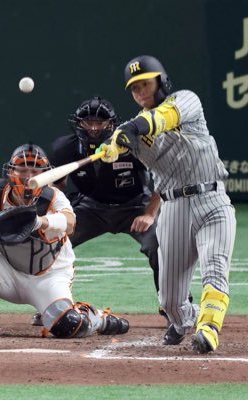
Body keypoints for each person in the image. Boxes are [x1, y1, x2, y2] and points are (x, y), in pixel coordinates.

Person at [97, 55, 236, 353]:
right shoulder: (131, 130)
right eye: (134, 89)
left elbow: (161, 119)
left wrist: (130, 130)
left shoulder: (186, 101)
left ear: (160, 81)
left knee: (214, 267)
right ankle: (185, 319)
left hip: (211, 200)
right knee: (170, 300)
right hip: (173, 208)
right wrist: (110, 147)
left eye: (145, 84)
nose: (140, 92)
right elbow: (118, 143)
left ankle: (209, 327)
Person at [0, 143, 129, 338]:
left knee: (70, 325)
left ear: (46, 174)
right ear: (10, 172)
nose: (28, 176)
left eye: (35, 170)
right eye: (23, 169)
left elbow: (70, 222)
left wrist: (41, 222)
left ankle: (97, 318)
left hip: (49, 277)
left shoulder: (53, 197)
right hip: (10, 272)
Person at [32, 96, 175, 327]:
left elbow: (163, 178)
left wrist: (150, 213)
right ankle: (51, 304)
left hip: (135, 206)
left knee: (159, 243)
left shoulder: (133, 143)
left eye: (101, 123)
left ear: (112, 124)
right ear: (78, 123)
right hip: (91, 208)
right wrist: (52, 215)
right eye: (88, 122)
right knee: (51, 241)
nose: (94, 128)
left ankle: (174, 306)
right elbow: (57, 187)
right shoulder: (66, 148)